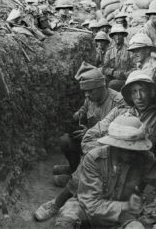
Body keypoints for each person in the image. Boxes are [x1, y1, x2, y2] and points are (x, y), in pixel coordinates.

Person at [55, 116, 156, 229]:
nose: (132, 153)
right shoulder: (94, 159)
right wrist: (127, 206)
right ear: (114, 145)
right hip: (86, 211)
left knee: (136, 227)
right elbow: (91, 205)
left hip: (119, 218)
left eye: (135, 148)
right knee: (67, 218)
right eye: (126, 148)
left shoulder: (143, 158)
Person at [36, 62, 124, 221]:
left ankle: (58, 202)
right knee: (65, 141)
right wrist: (79, 116)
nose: (86, 95)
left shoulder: (118, 102)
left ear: (100, 86)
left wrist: (90, 135)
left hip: (109, 148)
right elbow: (85, 109)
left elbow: (119, 134)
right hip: (89, 142)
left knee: (90, 163)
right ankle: (72, 170)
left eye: (89, 91)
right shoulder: (90, 98)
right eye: (85, 92)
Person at [102, 25, 134, 92]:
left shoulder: (129, 50)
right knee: (102, 80)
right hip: (112, 76)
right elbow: (104, 68)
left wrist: (124, 74)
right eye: (115, 35)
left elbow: (135, 68)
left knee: (112, 84)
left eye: (120, 35)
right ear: (113, 37)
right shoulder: (109, 51)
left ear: (123, 36)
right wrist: (112, 72)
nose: (117, 37)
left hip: (125, 79)